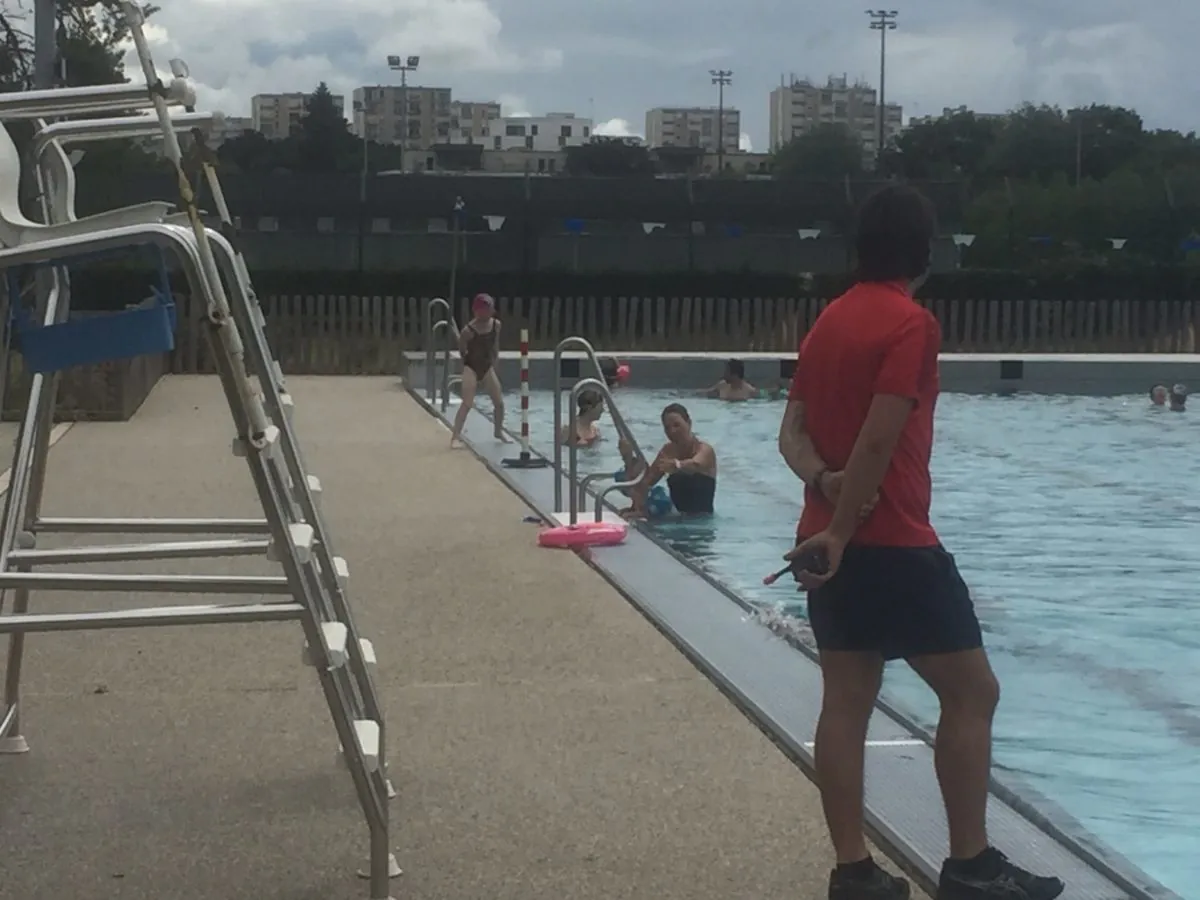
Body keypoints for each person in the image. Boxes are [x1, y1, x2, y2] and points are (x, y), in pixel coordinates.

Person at [777, 184, 1064, 900]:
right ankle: (969, 865)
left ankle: (854, 872)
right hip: (893, 543)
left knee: (846, 700)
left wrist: (825, 485)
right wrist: (847, 523)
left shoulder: (828, 322)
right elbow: (884, 428)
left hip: (823, 541)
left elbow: (790, 433)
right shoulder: (911, 324)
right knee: (974, 692)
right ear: (924, 251)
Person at [625, 403, 717, 517]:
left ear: (689, 423)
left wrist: (678, 465)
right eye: (667, 427)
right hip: (677, 519)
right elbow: (646, 483)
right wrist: (628, 458)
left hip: (702, 523)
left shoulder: (704, 450)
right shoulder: (668, 451)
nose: (672, 431)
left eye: (677, 425)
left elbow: (695, 465)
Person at [449, 293, 511, 448]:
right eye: (483, 310)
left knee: (499, 402)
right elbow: (462, 350)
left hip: (487, 366)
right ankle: (455, 437)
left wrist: (495, 362)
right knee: (467, 403)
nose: (487, 313)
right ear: (476, 311)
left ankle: (498, 431)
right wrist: (467, 365)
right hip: (471, 367)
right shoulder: (468, 331)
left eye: (489, 309)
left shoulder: (496, 325)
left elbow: (495, 346)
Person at [613, 436, 674, 518]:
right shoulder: (622, 476)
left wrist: (636, 513)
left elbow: (648, 514)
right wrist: (632, 509)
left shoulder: (660, 499)